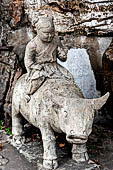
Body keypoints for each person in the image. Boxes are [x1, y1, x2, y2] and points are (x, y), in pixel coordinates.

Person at [24, 16, 74, 102]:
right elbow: (28, 61)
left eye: (52, 33)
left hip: (54, 66)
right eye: (46, 33)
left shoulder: (56, 40)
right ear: (38, 31)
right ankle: (28, 93)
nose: (50, 36)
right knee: (38, 79)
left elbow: (62, 58)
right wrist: (36, 67)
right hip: (40, 67)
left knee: (69, 77)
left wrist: (62, 55)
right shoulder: (32, 45)